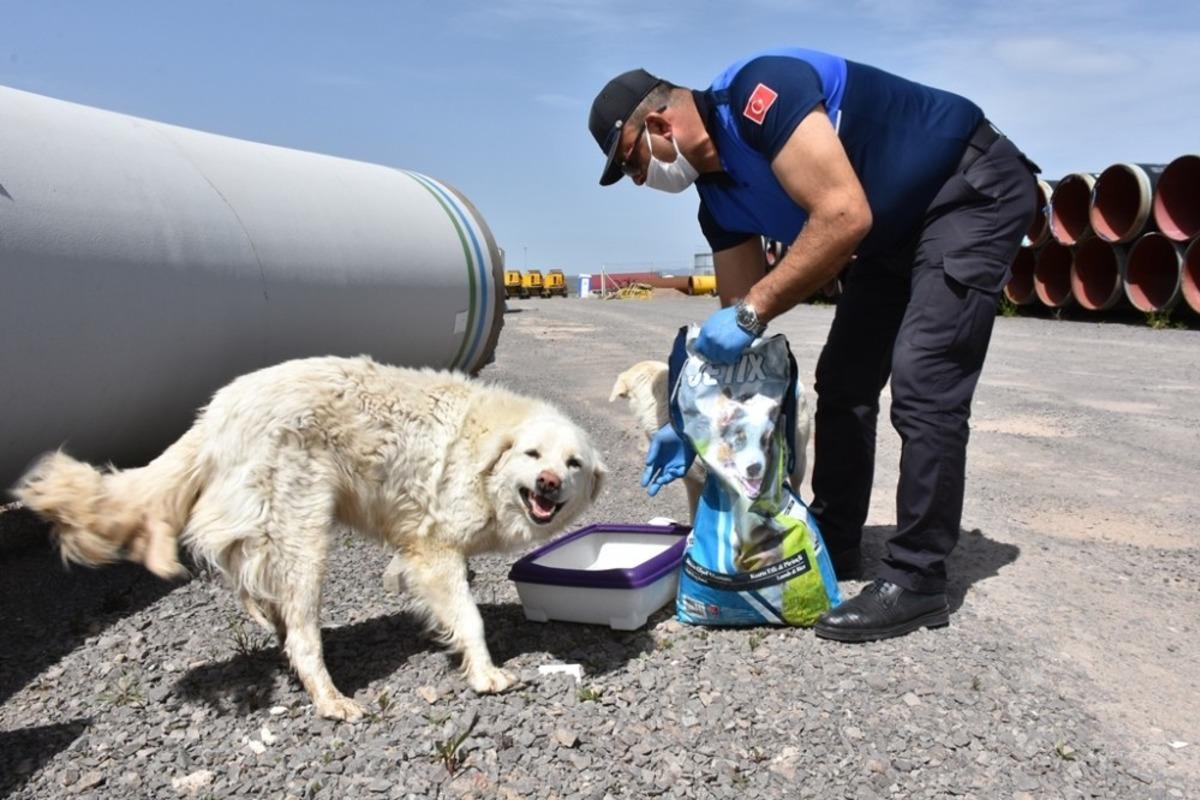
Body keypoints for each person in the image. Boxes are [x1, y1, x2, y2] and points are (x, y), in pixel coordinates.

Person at [589, 48, 1038, 643]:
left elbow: (843, 216)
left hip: (967, 190)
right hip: (890, 236)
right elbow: (737, 337)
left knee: (924, 379)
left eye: (636, 165)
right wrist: (686, 417)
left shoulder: (758, 95)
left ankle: (918, 578)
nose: (645, 182)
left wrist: (753, 310)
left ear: (659, 125)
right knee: (845, 378)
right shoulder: (719, 205)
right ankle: (838, 538)